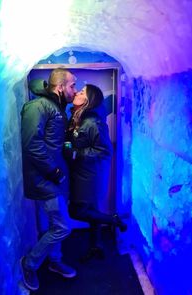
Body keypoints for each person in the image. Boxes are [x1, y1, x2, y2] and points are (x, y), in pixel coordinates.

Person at [20, 68, 77, 291]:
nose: (75, 90)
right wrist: (54, 172)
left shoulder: (56, 107)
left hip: (54, 178)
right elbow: (32, 144)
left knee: (54, 224)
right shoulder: (38, 106)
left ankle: (54, 261)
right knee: (62, 227)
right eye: (72, 85)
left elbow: (51, 143)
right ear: (60, 86)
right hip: (45, 180)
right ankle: (29, 263)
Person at [64, 84, 127, 262]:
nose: (76, 92)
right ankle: (95, 246)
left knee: (76, 211)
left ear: (88, 101)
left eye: (82, 92)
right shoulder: (78, 118)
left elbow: (105, 151)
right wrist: (69, 147)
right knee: (90, 210)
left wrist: (77, 154)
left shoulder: (93, 123)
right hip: (82, 173)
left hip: (88, 176)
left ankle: (113, 219)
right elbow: (72, 142)